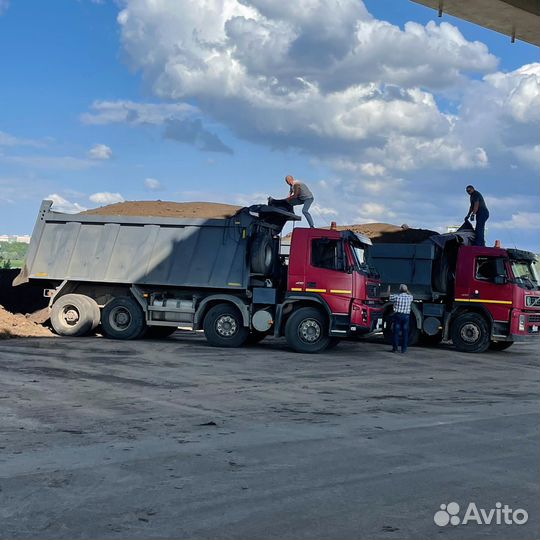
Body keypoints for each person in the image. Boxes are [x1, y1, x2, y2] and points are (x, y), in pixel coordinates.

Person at [388, 284, 414, 354]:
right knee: (405, 333)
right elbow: (411, 295)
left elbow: (389, 297)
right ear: (406, 290)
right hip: (406, 317)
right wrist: (407, 290)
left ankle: (395, 349)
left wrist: (389, 290)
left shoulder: (397, 297)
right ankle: (404, 349)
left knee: (396, 332)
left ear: (400, 290)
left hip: (398, 316)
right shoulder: (410, 297)